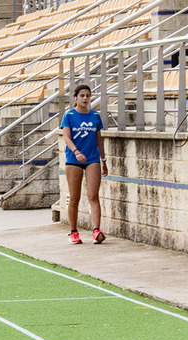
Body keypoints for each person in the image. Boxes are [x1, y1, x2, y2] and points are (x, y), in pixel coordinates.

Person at [61, 83, 108, 244]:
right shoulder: (69, 115)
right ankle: (73, 232)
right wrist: (76, 151)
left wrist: (103, 160)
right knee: (74, 197)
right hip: (74, 160)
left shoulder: (95, 115)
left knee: (93, 196)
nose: (85, 98)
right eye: (82, 96)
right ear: (76, 97)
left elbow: (99, 140)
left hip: (92, 159)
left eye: (88, 95)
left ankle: (96, 230)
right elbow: (66, 137)